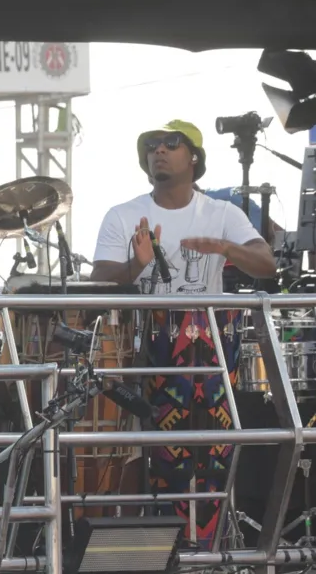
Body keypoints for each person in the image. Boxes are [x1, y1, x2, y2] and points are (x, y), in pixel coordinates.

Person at [90, 119, 275, 547]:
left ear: (193, 157)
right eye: (151, 144)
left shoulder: (222, 213)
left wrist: (226, 249)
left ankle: (207, 551)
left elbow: (267, 264)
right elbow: (100, 280)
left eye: (171, 143)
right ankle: (162, 554)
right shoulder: (122, 214)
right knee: (158, 453)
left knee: (213, 454)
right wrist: (136, 267)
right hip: (152, 351)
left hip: (210, 354)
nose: (159, 150)